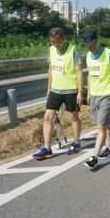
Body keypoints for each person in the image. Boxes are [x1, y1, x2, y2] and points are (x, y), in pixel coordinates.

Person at [33, 27, 84, 160]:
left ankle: (77, 142)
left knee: (74, 116)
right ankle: (47, 148)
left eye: (57, 42)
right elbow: (50, 69)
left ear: (63, 38)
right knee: (47, 117)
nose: (55, 45)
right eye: (52, 42)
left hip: (71, 89)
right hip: (55, 89)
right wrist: (49, 87)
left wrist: (80, 91)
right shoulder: (51, 50)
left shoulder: (73, 50)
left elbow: (79, 71)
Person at [81, 30, 110, 170]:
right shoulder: (88, 56)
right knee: (104, 125)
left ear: (97, 40)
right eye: (88, 45)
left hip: (107, 94)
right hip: (94, 95)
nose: (91, 47)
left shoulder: (109, 54)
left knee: (100, 127)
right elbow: (90, 75)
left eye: (92, 44)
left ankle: (94, 157)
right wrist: (88, 92)